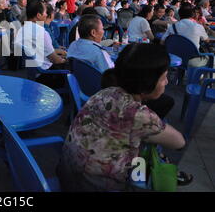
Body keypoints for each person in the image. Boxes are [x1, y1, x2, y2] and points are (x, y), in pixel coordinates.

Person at [56, 43, 188, 192]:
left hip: (67, 175)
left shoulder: (105, 93)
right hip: (97, 186)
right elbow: (179, 142)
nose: (167, 82)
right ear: (147, 83)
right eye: (164, 78)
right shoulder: (138, 115)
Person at [14, 0, 67, 89]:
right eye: (45, 12)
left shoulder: (22, 29)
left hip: (33, 73)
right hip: (46, 75)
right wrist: (66, 60)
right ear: (38, 15)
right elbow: (55, 60)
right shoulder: (42, 33)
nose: (47, 15)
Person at [161, 3, 214, 68]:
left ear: (179, 15)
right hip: (193, 60)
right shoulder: (198, 26)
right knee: (211, 58)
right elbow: (207, 41)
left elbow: (162, 42)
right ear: (192, 14)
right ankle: (202, 77)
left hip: (176, 59)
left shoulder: (172, 27)